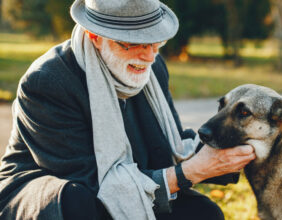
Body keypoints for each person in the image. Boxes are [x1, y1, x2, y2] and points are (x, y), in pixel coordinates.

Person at [0, 0, 256, 219]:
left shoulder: (153, 68)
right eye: (132, 43)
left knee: (203, 213)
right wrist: (191, 171)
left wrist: (233, 148)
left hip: (130, 179)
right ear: (95, 36)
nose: (148, 55)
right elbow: (94, 187)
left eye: (155, 41)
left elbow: (169, 148)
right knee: (77, 204)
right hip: (56, 193)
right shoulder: (48, 81)